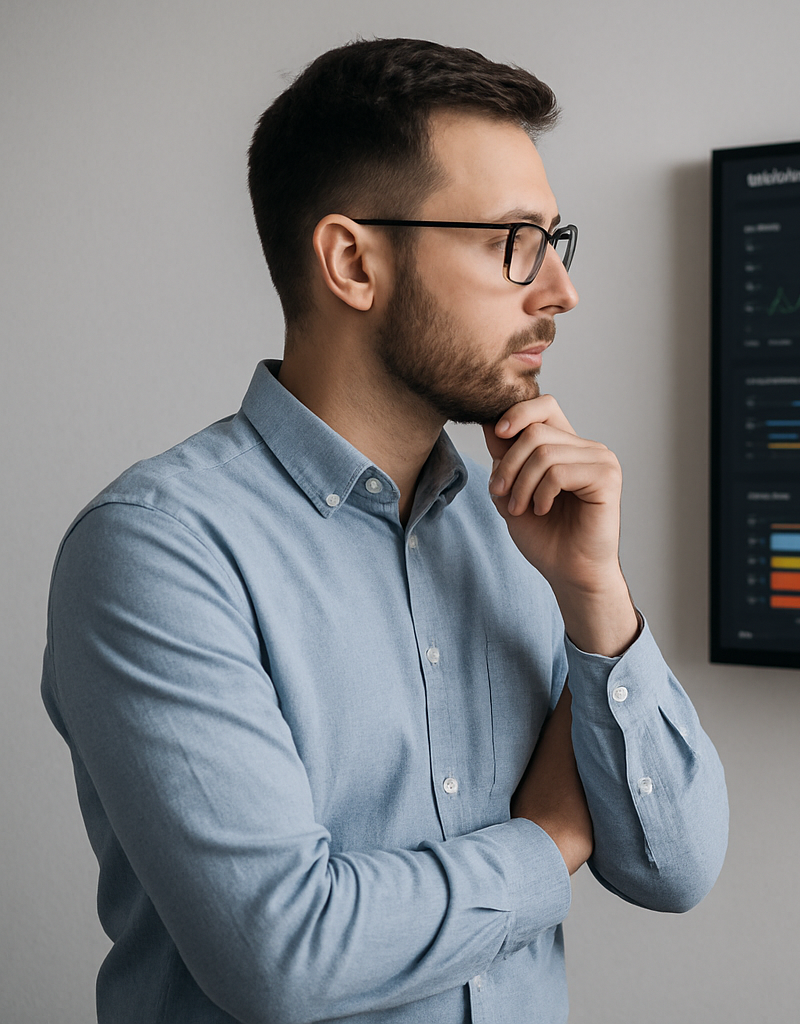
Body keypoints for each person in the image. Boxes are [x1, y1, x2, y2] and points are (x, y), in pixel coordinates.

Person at [40, 37, 728, 1024]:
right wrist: (546, 841)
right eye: (510, 243)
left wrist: (597, 604)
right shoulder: (157, 552)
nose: (559, 292)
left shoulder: (526, 528)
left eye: (553, 241)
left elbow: (678, 865)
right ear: (354, 262)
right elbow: (284, 952)